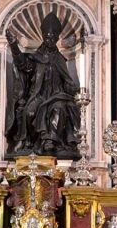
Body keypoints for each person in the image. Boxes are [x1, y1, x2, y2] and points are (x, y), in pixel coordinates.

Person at [4, 11, 80, 158]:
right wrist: (14, 45)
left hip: (57, 96)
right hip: (38, 95)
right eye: (47, 37)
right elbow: (23, 65)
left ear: (57, 38)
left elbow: (68, 82)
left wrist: (73, 89)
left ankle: (49, 141)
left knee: (58, 109)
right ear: (43, 37)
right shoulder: (36, 57)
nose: (49, 40)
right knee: (29, 112)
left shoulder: (59, 59)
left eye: (52, 38)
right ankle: (25, 142)